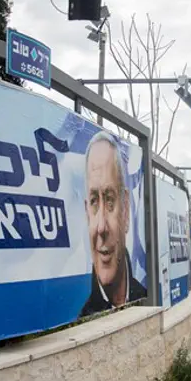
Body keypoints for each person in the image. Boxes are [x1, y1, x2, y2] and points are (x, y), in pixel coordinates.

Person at [80, 131, 147, 317]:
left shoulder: (143, 296)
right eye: (94, 201)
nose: (101, 227)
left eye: (110, 200)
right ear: (87, 214)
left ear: (125, 210)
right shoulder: (83, 321)